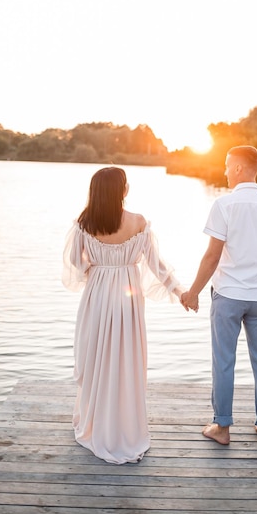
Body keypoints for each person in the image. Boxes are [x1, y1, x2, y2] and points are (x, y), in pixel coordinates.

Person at [62, 166, 185, 464]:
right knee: (125, 359)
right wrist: (180, 292)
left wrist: (98, 267)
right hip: (128, 300)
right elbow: (157, 266)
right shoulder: (139, 222)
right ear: (123, 191)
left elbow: (74, 265)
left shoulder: (85, 223)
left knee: (97, 358)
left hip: (98, 296)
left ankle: (96, 423)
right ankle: (124, 428)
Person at [181, 145, 257, 446]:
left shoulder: (224, 205)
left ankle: (223, 429)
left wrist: (193, 292)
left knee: (224, 361)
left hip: (228, 295)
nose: (225, 170)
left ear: (240, 168)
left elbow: (212, 256)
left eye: (228, 165)